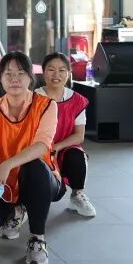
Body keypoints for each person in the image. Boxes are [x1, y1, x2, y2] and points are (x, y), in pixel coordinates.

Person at [0, 51, 63, 264]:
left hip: (42, 179)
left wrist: (7, 164)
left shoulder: (46, 105)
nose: (14, 79)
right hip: (4, 184)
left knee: (34, 167)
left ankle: (37, 238)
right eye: (8, 74)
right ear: (0, 78)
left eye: (21, 73)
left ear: (30, 78)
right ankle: (17, 209)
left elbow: (42, 145)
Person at [36, 53, 96, 217]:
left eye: (62, 70)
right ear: (43, 72)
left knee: (77, 156)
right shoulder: (32, 98)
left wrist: (57, 147)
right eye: (51, 69)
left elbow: (79, 135)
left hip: (64, 148)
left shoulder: (77, 100)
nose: (56, 74)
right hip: (38, 149)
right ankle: (23, 204)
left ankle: (77, 195)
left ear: (69, 73)